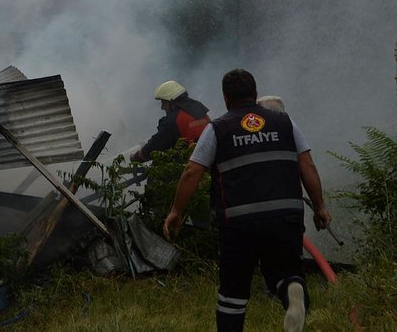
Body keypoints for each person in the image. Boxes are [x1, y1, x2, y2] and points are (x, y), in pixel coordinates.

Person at [163, 69, 331, 332]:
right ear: (255, 93)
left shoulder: (217, 129)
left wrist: (176, 212)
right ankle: (291, 289)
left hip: (238, 222)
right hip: (285, 217)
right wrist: (319, 207)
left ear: (225, 98)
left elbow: (192, 172)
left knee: (233, 292)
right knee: (283, 273)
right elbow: (307, 165)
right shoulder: (285, 122)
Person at [130, 80, 210, 163]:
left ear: (171, 102)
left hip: (192, 163)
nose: (162, 107)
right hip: (209, 157)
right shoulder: (199, 109)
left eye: (163, 103)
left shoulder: (173, 120)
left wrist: (136, 157)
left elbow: (156, 145)